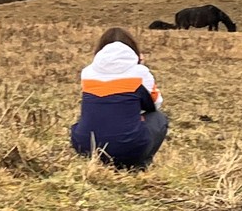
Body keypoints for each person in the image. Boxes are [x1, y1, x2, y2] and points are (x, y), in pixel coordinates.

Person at [70, 27, 169, 169]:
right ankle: (140, 164)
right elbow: (156, 104)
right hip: (126, 147)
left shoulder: (87, 72)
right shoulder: (139, 73)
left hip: (85, 145)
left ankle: (98, 162)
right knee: (159, 118)